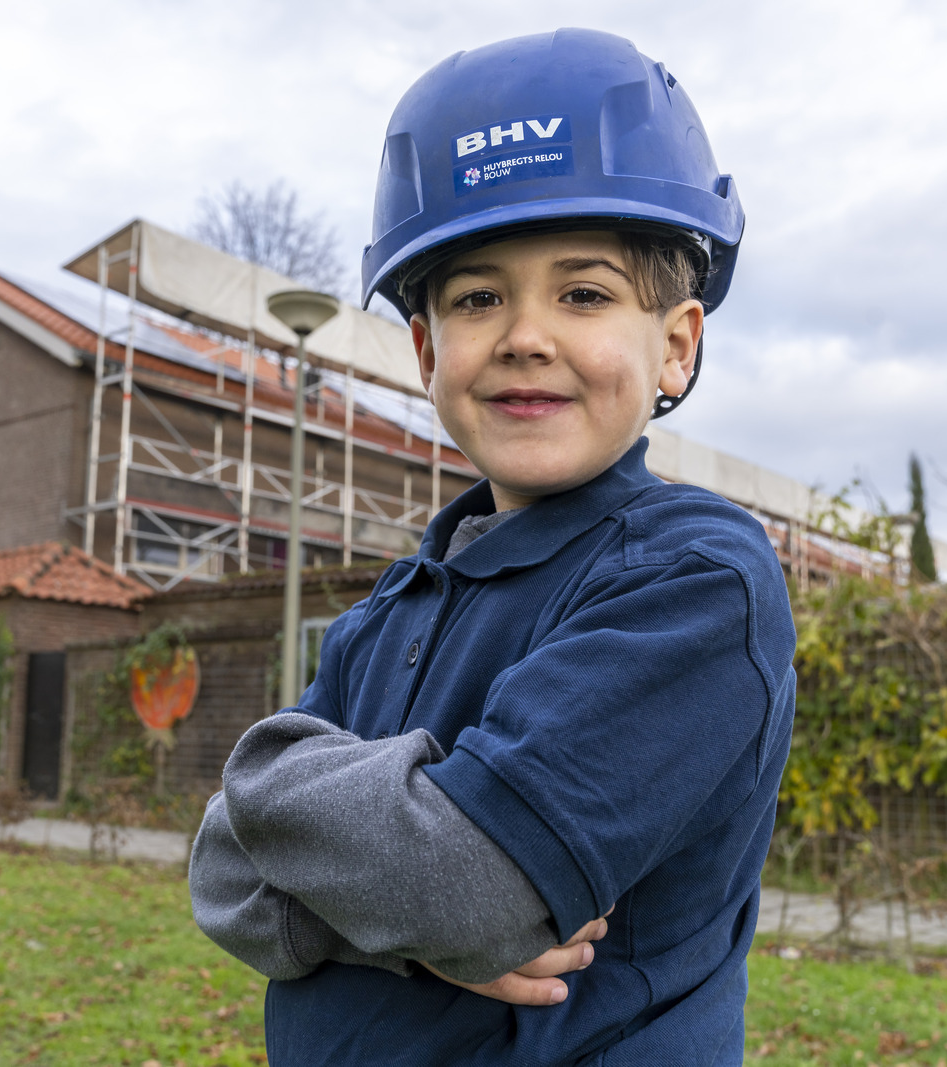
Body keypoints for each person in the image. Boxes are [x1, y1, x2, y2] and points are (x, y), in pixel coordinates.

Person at [189, 27, 795, 1066]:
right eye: (476, 297)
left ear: (677, 344)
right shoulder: (389, 607)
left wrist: (267, 792)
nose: (524, 333)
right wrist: (397, 899)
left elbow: (478, 894)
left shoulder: (692, 577)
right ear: (427, 351)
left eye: (585, 292)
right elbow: (218, 883)